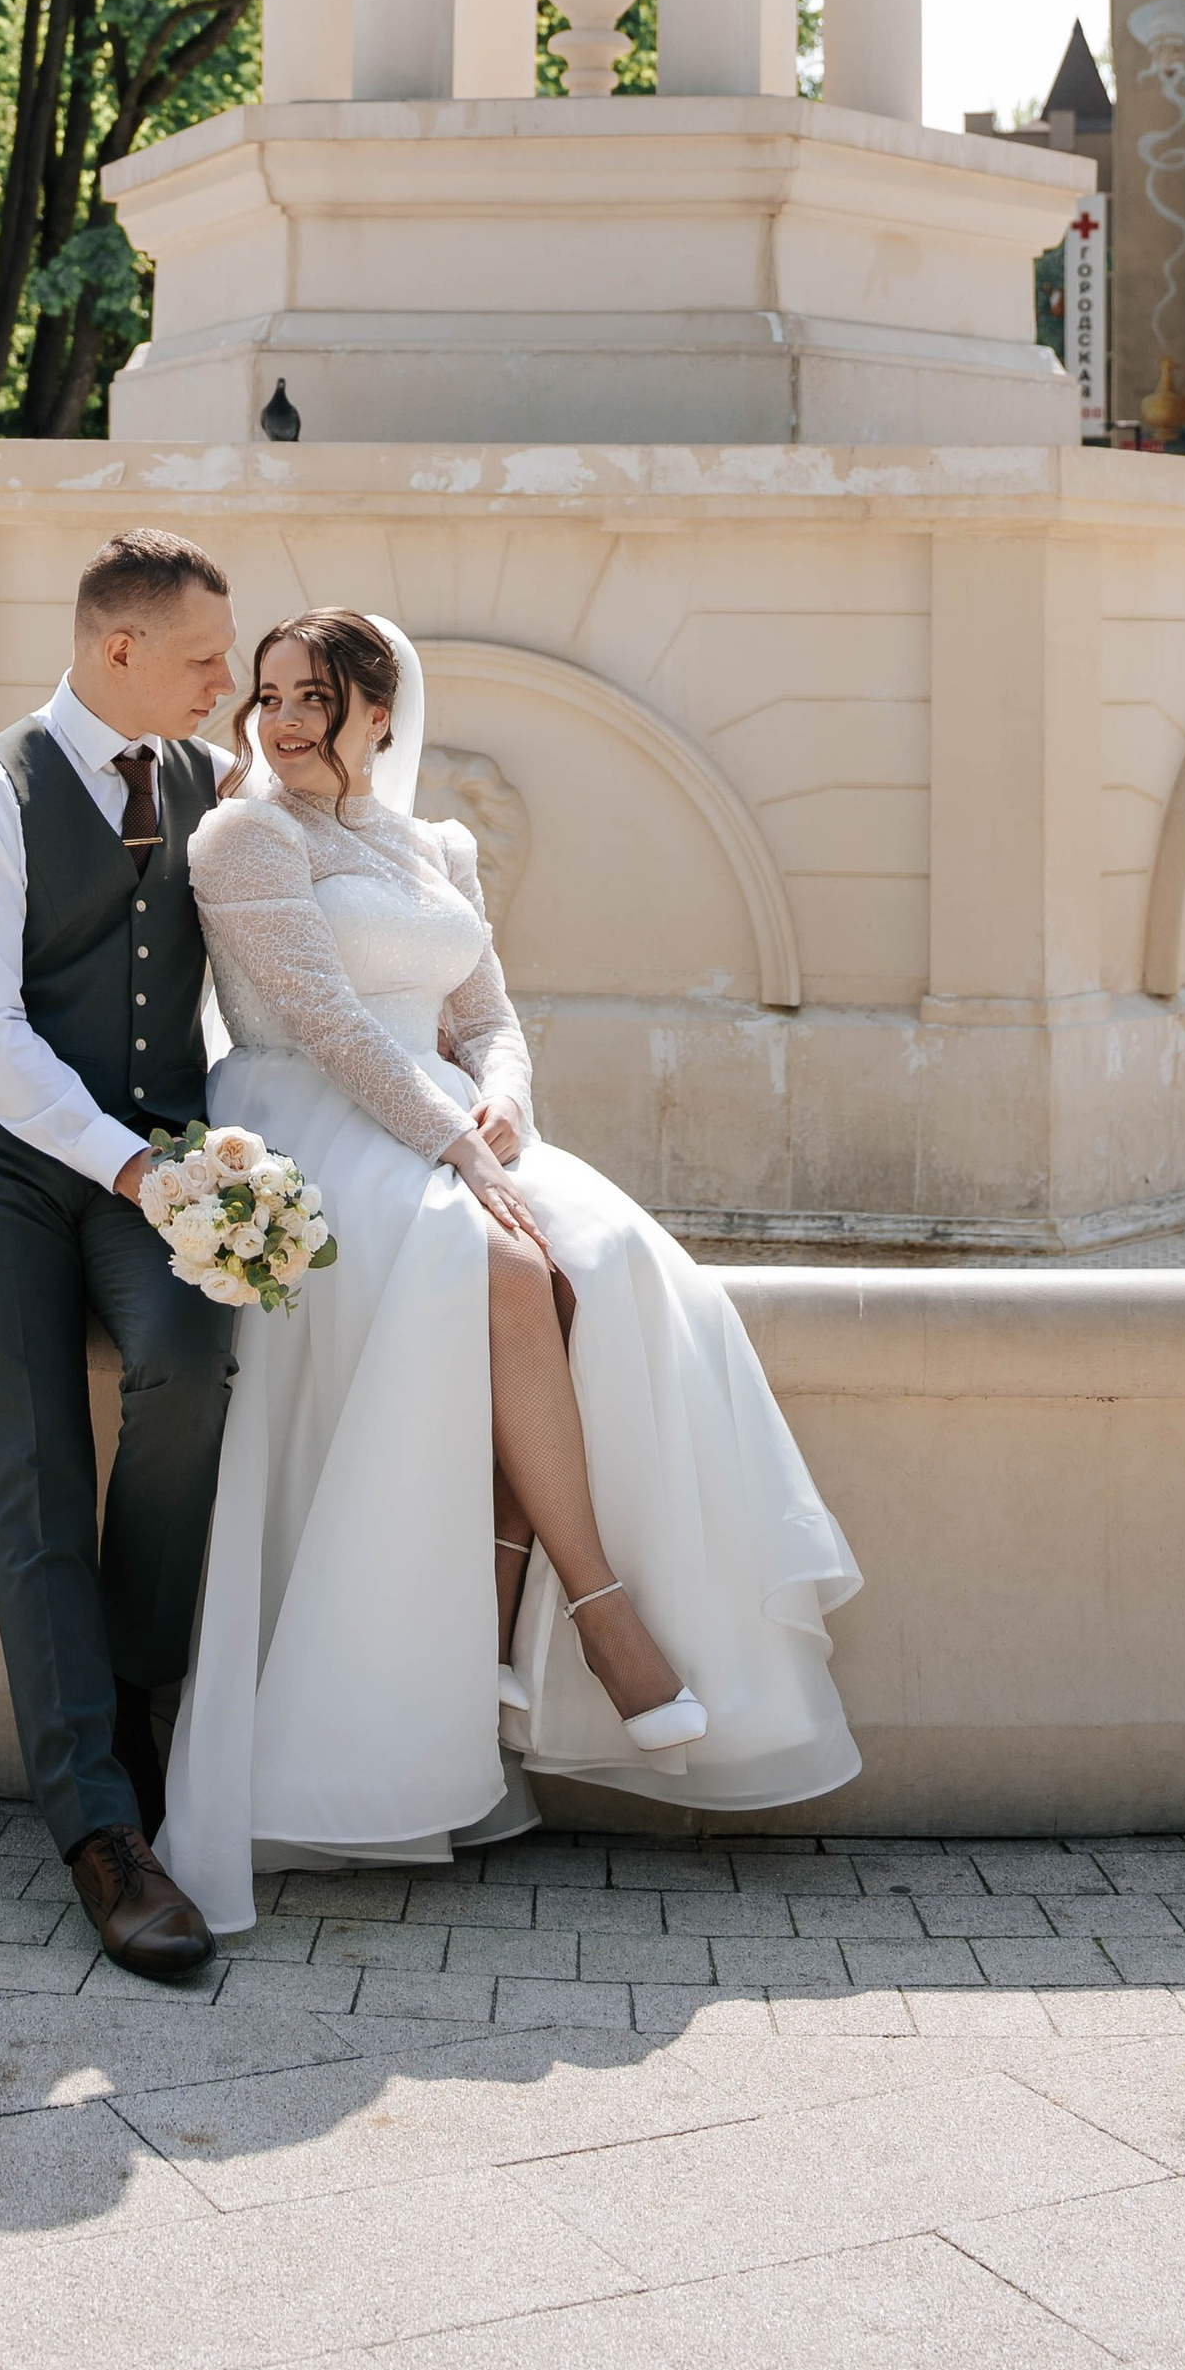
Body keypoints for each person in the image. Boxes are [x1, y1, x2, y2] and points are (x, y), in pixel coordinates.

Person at [159, 606, 861, 1939]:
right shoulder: (245, 836)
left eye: (314, 697)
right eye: (267, 698)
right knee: (493, 1260)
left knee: (607, 1263)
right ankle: (601, 1616)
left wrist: (504, 1104)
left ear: (380, 711)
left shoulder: (437, 846)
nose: (283, 723)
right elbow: (325, 1021)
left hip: (437, 1111)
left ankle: (486, 1644)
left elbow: (487, 1016)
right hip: (313, 1114)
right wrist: (453, 1149)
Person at [0, 528, 241, 1981]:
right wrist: (129, 1163)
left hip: (145, 1161)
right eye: (204, 659)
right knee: (36, 1463)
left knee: (188, 1359)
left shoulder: (208, 784)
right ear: (119, 650)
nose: (229, 684)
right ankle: (102, 1830)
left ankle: (122, 1695)